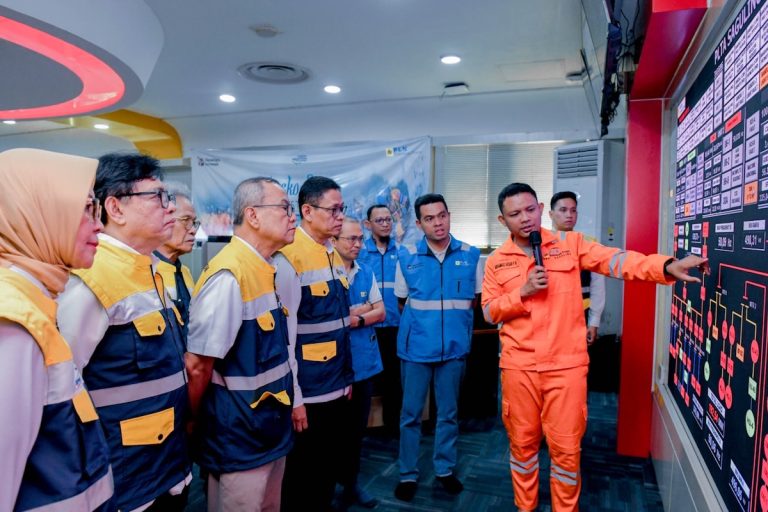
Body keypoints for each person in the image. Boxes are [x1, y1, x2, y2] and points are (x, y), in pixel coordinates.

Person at [482, 182, 709, 512]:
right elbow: (489, 312)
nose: (526, 218)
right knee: (522, 446)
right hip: (519, 369)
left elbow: (617, 261)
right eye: (515, 214)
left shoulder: (571, 244)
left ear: (541, 209)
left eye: (530, 209)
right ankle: (525, 506)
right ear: (503, 221)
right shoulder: (496, 261)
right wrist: (522, 293)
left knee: (566, 451)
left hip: (566, 369)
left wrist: (664, 266)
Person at [58, 153, 191, 512]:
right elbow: (61, 386)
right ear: (115, 208)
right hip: (125, 479)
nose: (170, 208)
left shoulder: (153, 270)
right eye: (157, 197)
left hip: (168, 465)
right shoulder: (92, 277)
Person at [0, 148, 114, 511]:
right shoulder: (13, 320)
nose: (99, 225)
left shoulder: (36, 298)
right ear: (38, 213)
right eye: (87, 208)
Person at [186, 177, 296, 512]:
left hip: (268, 428)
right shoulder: (229, 276)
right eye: (285, 208)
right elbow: (198, 366)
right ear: (253, 215)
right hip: (239, 437)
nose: (292, 217)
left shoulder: (264, 267)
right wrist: (191, 422)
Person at [393, 193, 482, 502]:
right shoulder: (406, 256)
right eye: (429, 218)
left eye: (442, 215)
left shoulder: (470, 255)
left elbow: (474, 301)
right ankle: (407, 473)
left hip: (454, 350)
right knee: (410, 415)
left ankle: (444, 470)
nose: (438, 223)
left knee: (448, 414)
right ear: (419, 224)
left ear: (449, 215)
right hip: (416, 349)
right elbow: (402, 302)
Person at [275, 176, 354, 511]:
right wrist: (295, 398)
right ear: (307, 211)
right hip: (308, 393)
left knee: (326, 472)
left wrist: (346, 378)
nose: (340, 216)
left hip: (336, 385)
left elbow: (339, 325)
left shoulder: (332, 253)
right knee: (303, 478)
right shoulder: (289, 258)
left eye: (342, 209)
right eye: (333, 210)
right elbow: (284, 338)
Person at [334, 218, 386, 509]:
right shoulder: (324, 273)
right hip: (332, 369)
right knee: (332, 434)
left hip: (363, 365)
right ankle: (329, 486)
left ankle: (351, 485)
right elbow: (328, 318)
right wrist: (362, 311)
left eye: (359, 239)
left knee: (355, 433)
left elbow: (382, 312)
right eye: (350, 239)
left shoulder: (365, 272)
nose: (357, 245)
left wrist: (357, 316)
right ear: (333, 240)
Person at [360, 204, 402, 436]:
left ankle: (393, 430)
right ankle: (364, 432)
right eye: (379, 220)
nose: (385, 224)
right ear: (368, 225)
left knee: (394, 381)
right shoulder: (361, 254)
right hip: (369, 328)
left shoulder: (403, 253)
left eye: (388, 219)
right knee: (367, 381)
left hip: (396, 328)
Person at [549, 191, 605, 346]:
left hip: (580, 314)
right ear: (551, 214)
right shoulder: (540, 244)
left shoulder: (589, 244)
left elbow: (598, 285)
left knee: (578, 357)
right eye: (563, 210)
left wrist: (594, 321)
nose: (569, 215)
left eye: (573, 210)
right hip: (549, 315)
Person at [154, 181, 198, 341]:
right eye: (186, 220)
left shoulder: (185, 272)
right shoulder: (146, 271)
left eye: (194, 222)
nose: (193, 230)